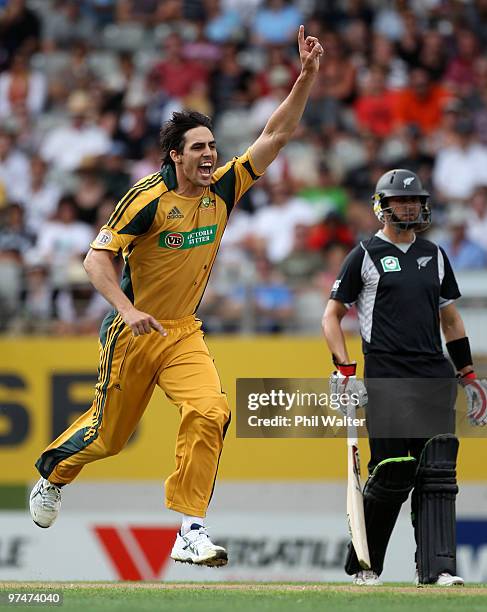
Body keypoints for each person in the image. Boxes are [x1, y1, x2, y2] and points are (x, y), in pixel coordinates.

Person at [29, 26, 323, 568]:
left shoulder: (225, 189)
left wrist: (305, 78)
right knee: (108, 438)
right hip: (133, 333)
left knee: (211, 412)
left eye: (213, 146)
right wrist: (127, 309)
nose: (211, 155)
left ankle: (190, 528)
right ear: (175, 155)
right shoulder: (148, 198)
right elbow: (95, 260)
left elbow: (275, 136)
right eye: (199, 148)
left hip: (183, 330)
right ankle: (51, 474)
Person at [322, 168, 487, 586]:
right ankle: (365, 564)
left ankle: (438, 569)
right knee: (393, 470)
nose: (411, 206)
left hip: (433, 374)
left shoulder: (434, 254)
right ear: (383, 206)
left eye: (415, 201)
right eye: (401, 201)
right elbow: (332, 316)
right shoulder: (365, 254)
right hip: (386, 373)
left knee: (437, 474)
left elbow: (450, 320)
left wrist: (469, 374)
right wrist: (344, 370)